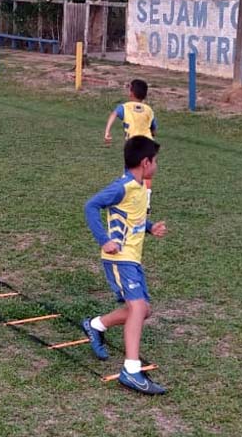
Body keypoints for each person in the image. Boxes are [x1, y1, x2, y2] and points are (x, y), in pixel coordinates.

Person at [81, 136, 168, 395]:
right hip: (120, 258)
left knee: (144, 311)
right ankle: (131, 371)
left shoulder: (140, 188)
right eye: (155, 161)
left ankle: (95, 325)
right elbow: (91, 206)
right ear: (145, 162)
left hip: (132, 259)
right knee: (138, 307)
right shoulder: (124, 186)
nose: (157, 165)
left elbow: (132, 217)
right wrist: (104, 240)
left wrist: (151, 228)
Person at [104, 79, 158, 213]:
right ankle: (146, 204)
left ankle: (126, 197)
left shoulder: (125, 107)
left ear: (131, 92)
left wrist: (107, 132)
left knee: (130, 172)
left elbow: (113, 115)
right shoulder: (149, 110)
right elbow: (154, 128)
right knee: (147, 175)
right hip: (148, 144)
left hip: (133, 145)